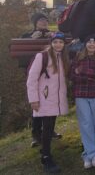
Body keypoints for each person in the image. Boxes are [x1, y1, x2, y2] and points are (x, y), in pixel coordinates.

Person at [26, 32, 69, 173]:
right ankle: (46, 156)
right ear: (51, 43)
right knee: (48, 127)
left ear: (64, 44)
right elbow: (31, 80)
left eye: (61, 42)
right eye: (55, 42)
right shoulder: (42, 57)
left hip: (55, 99)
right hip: (44, 98)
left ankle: (44, 150)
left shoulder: (63, 58)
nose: (58, 44)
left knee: (50, 127)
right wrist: (33, 100)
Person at [21, 13, 62, 147]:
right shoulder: (27, 36)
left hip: (50, 74)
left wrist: (54, 38)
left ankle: (50, 131)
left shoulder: (52, 35)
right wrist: (31, 39)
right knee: (37, 104)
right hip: (35, 75)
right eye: (40, 20)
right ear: (35, 23)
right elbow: (22, 56)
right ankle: (36, 134)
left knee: (52, 102)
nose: (44, 22)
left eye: (45, 20)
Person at [70, 35, 95, 169]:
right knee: (85, 122)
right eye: (89, 42)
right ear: (85, 44)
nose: (92, 44)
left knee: (94, 122)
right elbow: (73, 76)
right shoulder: (78, 57)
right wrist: (89, 74)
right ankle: (93, 154)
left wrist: (82, 72)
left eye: (94, 43)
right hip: (80, 94)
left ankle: (87, 154)